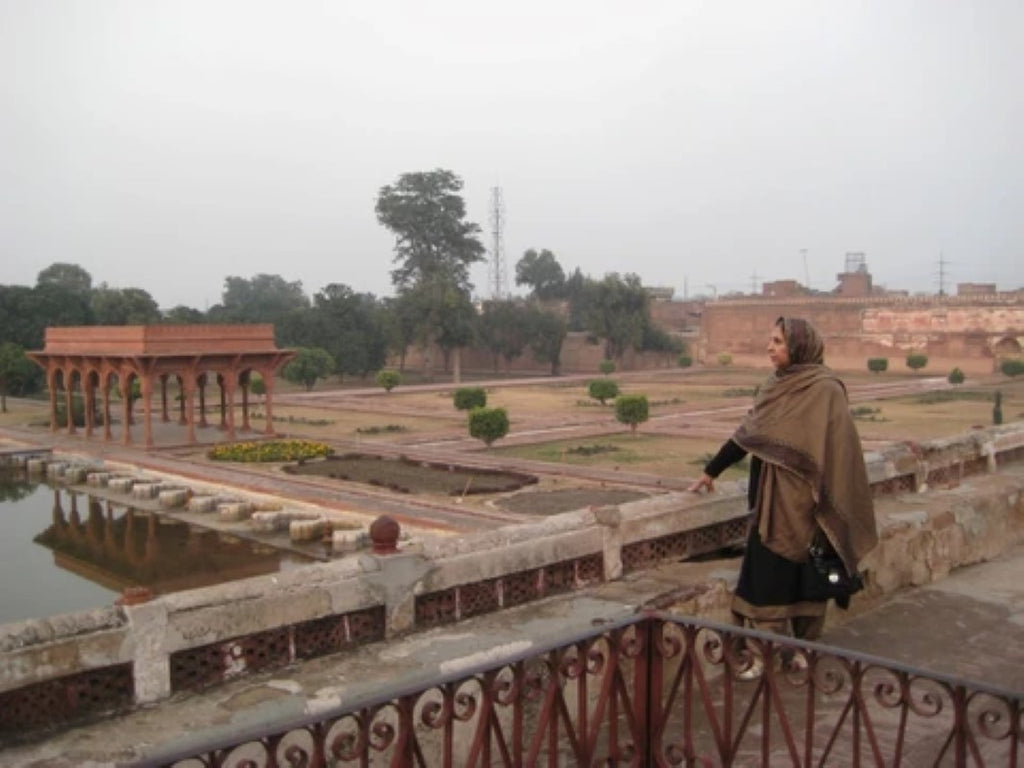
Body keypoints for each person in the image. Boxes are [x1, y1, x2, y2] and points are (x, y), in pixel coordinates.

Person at [688, 316, 878, 652]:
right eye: (771, 341)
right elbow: (747, 435)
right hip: (771, 503)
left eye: (778, 342)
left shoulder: (826, 391)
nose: (769, 348)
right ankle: (765, 651)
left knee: (804, 578)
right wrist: (711, 471)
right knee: (767, 574)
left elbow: (841, 451)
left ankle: (802, 650)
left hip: (808, 505)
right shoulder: (774, 387)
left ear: (799, 346)